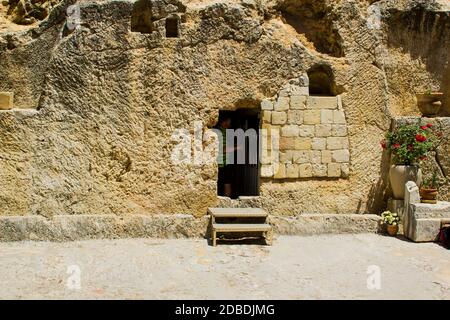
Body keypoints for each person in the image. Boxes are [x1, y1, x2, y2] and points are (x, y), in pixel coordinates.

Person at [216, 115, 235, 197]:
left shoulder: (225, 132)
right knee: (224, 182)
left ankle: (226, 201)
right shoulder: (219, 132)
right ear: (224, 122)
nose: (230, 124)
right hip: (220, 162)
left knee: (227, 182)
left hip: (225, 162)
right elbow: (222, 149)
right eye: (229, 122)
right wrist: (237, 147)